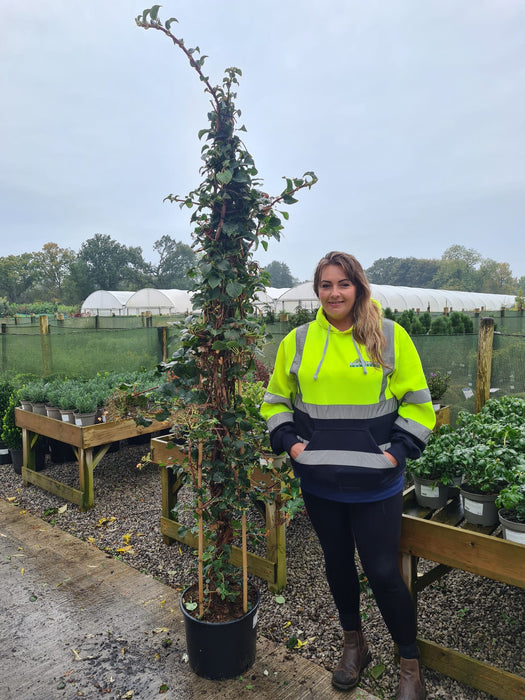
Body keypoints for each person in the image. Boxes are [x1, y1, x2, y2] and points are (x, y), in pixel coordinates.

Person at [261, 252, 435, 699]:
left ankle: (410, 664)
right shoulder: (297, 341)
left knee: (382, 571)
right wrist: (293, 445)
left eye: (343, 284)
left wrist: (397, 453)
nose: (334, 293)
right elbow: (276, 401)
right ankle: (354, 645)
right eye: (325, 285)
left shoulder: (390, 336)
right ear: (316, 290)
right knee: (337, 565)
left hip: (376, 483)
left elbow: (418, 404)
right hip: (320, 482)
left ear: (358, 287)